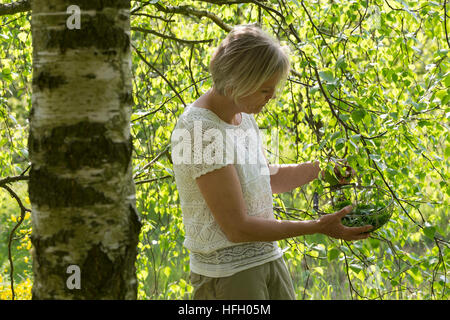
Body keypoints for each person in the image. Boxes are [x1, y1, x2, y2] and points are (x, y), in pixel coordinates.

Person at [170, 24, 372, 300]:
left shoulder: (243, 115)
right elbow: (237, 227)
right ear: (238, 83)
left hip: (267, 259)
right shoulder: (198, 131)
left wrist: (322, 169)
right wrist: (317, 226)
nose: (272, 97)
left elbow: (267, 179)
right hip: (229, 276)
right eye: (266, 90)